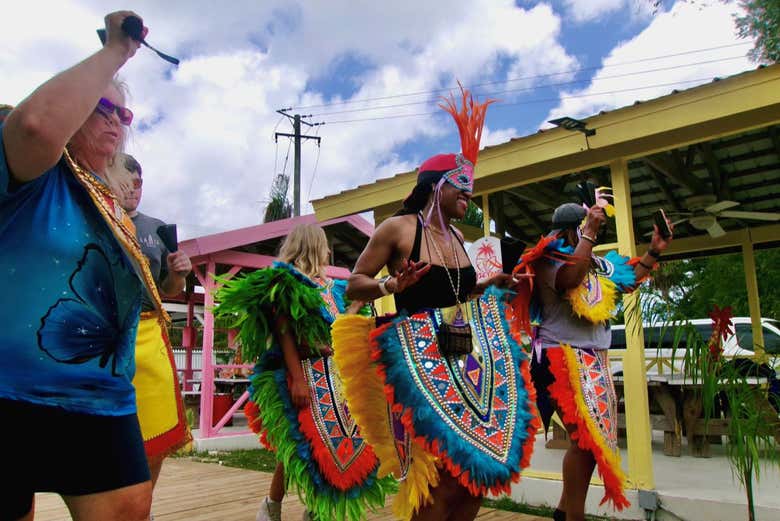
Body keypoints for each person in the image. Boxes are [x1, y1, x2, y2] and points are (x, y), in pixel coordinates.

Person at [333, 86, 539, 521]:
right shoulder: (399, 228)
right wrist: (391, 285)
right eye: (462, 189)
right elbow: (354, 285)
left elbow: (458, 295)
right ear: (438, 185)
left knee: (471, 476)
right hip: (417, 363)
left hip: (465, 359)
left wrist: (488, 286)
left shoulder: (461, 239)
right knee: (435, 481)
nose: (468, 197)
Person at [0, 11, 159, 521]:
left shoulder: (115, 207)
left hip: (101, 399)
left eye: (124, 114)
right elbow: (34, 125)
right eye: (102, 107)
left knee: (129, 508)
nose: (115, 120)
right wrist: (116, 51)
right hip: (9, 391)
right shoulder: (31, 172)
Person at [215, 223, 395, 521]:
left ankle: (310, 508)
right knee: (302, 443)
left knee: (316, 446)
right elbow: (285, 332)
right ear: (313, 246)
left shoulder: (333, 288)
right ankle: (274, 505)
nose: (328, 251)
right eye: (324, 245)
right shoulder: (285, 282)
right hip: (302, 375)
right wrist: (298, 380)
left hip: (335, 378)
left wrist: (359, 303)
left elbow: (336, 329)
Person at [514, 199, 673, 521]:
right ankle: (574, 517)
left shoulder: (595, 262)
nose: (590, 235)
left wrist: (654, 250)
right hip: (561, 356)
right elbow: (570, 279)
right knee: (583, 440)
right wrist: (588, 235)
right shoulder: (546, 259)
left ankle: (564, 510)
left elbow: (629, 280)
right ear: (572, 231)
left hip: (594, 360)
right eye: (583, 230)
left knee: (591, 442)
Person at [110, 153, 191, 490]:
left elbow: (168, 291)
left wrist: (177, 275)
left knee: (156, 425)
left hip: (148, 331)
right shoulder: (94, 216)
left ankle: (144, 506)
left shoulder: (157, 228)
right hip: (106, 335)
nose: (134, 188)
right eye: (127, 180)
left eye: (139, 181)